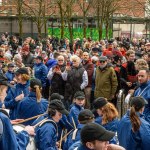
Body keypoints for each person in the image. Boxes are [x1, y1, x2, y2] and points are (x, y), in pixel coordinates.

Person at [0, 72, 35, 150]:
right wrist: (25, 133)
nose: (5, 94)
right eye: (5, 91)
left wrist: (8, 122)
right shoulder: (3, 119)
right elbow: (14, 148)